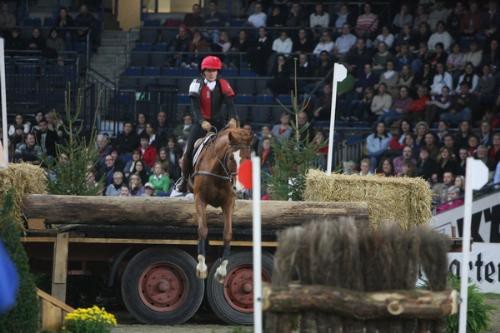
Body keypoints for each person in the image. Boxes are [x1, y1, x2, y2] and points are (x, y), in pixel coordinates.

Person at [175, 56, 238, 193]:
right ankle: (184, 180)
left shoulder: (223, 84)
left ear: (217, 72)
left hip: (219, 124)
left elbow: (230, 105)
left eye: (214, 71)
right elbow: (195, 108)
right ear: (203, 72)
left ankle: (234, 182)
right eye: (208, 70)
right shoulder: (196, 83)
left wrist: (232, 118)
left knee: (232, 150)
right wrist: (202, 121)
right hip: (201, 124)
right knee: (188, 152)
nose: (211, 73)